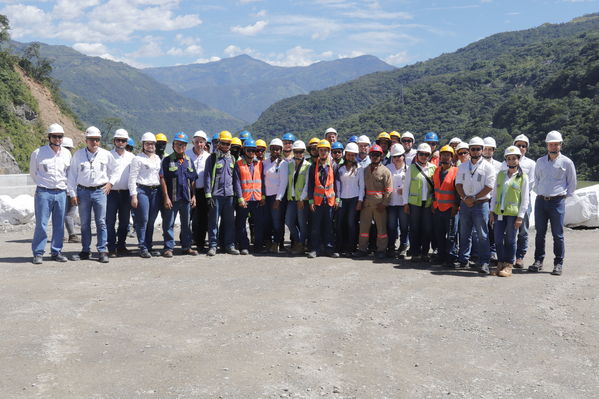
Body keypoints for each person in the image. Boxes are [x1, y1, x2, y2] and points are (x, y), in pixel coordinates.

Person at [529, 130, 576, 276]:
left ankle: (558, 263)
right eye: (551, 144)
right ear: (547, 145)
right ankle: (538, 261)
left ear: (560, 145)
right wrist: (541, 192)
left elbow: (572, 183)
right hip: (541, 201)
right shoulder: (540, 162)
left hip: (557, 201)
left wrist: (562, 197)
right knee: (539, 233)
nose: (554, 146)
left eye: (556, 144)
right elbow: (536, 180)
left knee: (558, 234)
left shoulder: (567, 162)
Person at [68, 126, 117, 263]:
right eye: (92, 140)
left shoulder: (106, 154)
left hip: (100, 191)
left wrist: (110, 183)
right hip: (82, 191)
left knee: (101, 222)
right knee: (84, 223)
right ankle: (85, 250)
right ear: (86, 140)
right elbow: (71, 175)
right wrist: (72, 193)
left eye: (97, 140)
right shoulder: (78, 155)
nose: (95, 142)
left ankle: (102, 250)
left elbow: (115, 170)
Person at [29, 123, 72, 264]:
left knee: (59, 224)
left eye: (60, 136)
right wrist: (43, 185)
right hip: (44, 192)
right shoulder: (38, 153)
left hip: (61, 193)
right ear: (49, 137)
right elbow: (33, 173)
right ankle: (38, 253)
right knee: (41, 223)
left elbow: (69, 174)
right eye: (55, 136)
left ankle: (56, 251)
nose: (58, 139)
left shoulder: (67, 154)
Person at [455, 136, 497, 274]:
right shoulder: (463, 166)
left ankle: (484, 261)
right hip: (465, 203)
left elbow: (489, 186)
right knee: (464, 233)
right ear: (469, 150)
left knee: (482, 234)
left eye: (478, 149)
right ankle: (463, 260)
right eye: (472, 149)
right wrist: (464, 197)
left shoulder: (488, 167)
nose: (475, 151)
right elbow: (458, 184)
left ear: (482, 150)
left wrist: (474, 197)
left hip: (481, 204)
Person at [490, 146, 530, 277]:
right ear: (506, 160)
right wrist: (491, 211)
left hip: (513, 214)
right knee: (498, 238)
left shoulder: (523, 177)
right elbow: (495, 194)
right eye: (509, 158)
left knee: (511, 239)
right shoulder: (500, 175)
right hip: (499, 213)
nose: (511, 161)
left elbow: (525, 198)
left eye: (514, 158)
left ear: (518, 159)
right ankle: (500, 263)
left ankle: (509, 265)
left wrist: (520, 216)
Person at [159, 132, 198, 257]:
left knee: (186, 225)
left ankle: (186, 247)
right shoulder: (167, 160)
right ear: (173, 145)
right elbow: (163, 179)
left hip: (186, 199)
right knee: (168, 224)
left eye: (182, 144)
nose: (179, 146)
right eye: (177, 144)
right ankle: (168, 248)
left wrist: (194, 196)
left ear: (186, 146)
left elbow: (192, 180)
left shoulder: (189, 161)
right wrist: (166, 197)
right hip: (172, 199)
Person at [501, 134, 536, 269]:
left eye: (523, 146)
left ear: (527, 148)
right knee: (507, 230)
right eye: (518, 145)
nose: (521, 148)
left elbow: (531, 183)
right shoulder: (506, 163)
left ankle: (520, 256)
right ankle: (507, 256)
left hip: (523, 200)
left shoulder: (531, 164)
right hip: (508, 202)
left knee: (522, 230)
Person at [204, 131, 239, 256]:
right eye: (223, 143)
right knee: (213, 222)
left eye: (228, 144)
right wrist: (208, 195)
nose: (225, 146)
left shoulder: (233, 159)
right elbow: (207, 177)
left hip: (229, 196)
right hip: (216, 196)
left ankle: (230, 245)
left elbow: (235, 179)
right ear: (218, 143)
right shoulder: (212, 158)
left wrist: (237, 196)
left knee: (229, 222)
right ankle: (213, 246)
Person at [355, 144, 393, 259]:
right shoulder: (364, 170)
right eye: (372, 155)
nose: (375, 157)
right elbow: (361, 187)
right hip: (366, 204)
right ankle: (362, 249)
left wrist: (384, 203)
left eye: (377, 155)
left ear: (381, 156)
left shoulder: (385, 171)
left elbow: (389, 189)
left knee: (381, 229)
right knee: (364, 229)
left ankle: (381, 250)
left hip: (379, 204)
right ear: (370, 156)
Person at [129, 132, 163, 258]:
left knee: (151, 220)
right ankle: (142, 246)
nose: (151, 146)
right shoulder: (138, 159)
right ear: (143, 144)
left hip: (155, 191)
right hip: (142, 190)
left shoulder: (157, 158)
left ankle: (149, 246)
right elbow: (132, 178)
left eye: (153, 143)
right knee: (143, 219)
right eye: (148, 143)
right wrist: (134, 195)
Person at [306, 140, 339, 258]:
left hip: (329, 202)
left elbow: (337, 184)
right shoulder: (313, 167)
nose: (323, 152)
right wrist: (310, 201)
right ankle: (315, 249)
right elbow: (310, 186)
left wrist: (338, 199)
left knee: (329, 226)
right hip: (317, 202)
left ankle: (329, 249)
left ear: (329, 151)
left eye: (325, 150)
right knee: (315, 227)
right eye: (321, 150)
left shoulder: (334, 166)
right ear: (318, 152)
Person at [403, 143, 436, 262]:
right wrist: (405, 203)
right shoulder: (411, 168)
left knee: (427, 229)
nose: (423, 156)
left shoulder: (433, 168)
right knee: (414, 228)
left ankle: (425, 253)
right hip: (414, 203)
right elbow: (406, 187)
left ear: (429, 155)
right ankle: (415, 252)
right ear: (417, 155)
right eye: (421, 154)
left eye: (426, 154)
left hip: (428, 203)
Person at [106, 128, 135, 258]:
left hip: (125, 193)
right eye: (118, 140)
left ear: (126, 142)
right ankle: (111, 247)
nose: (121, 142)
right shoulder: (107, 155)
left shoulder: (132, 157)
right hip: (110, 193)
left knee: (124, 221)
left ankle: (121, 245)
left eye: (123, 140)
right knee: (110, 221)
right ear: (114, 141)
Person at [279, 140, 311, 255]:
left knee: (302, 223)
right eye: (296, 152)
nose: (298, 154)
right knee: (288, 221)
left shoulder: (308, 166)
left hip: (301, 200)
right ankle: (298, 242)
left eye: (300, 152)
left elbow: (307, 184)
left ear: (304, 152)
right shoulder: (290, 164)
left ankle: (301, 245)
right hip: (291, 199)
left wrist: (302, 198)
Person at [234, 139, 265, 255]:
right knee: (241, 224)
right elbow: (236, 182)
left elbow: (263, 181)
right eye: (249, 150)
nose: (252, 152)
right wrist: (240, 198)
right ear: (244, 151)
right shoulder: (239, 164)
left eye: (254, 150)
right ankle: (244, 246)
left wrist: (263, 196)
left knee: (258, 224)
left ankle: (258, 246)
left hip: (257, 199)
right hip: (245, 199)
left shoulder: (259, 164)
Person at [431, 145, 459, 267]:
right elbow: (434, 189)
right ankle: (440, 256)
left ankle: (451, 257)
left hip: (451, 209)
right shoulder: (437, 171)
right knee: (439, 234)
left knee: (452, 235)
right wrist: (433, 203)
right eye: (443, 155)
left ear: (452, 157)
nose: (445, 157)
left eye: (448, 155)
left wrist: (456, 206)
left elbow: (458, 191)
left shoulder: (456, 171)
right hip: (438, 208)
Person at [335, 142, 364, 256]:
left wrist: (360, 201)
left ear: (356, 155)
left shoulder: (360, 168)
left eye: (353, 155)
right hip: (342, 199)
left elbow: (362, 186)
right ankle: (339, 247)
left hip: (354, 199)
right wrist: (337, 199)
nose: (351, 157)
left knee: (351, 223)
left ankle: (350, 247)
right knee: (339, 223)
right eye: (349, 154)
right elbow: (337, 185)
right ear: (345, 154)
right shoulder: (339, 168)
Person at [186, 130, 211, 252]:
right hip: (188, 191)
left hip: (203, 191)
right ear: (193, 142)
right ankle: (186, 241)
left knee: (202, 218)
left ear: (205, 143)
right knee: (187, 217)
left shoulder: (208, 157)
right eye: (196, 142)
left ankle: (200, 243)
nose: (199, 144)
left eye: (201, 142)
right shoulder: (187, 154)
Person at [263, 138, 286, 253]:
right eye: (273, 149)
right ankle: (268, 243)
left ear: (281, 150)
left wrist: (278, 199)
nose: (275, 151)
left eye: (278, 149)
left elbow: (283, 182)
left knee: (277, 222)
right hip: (266, 197)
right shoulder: (265, 162)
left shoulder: (283, 164)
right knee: (267, 221)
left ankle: (277, 243)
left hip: (276, 197)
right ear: (270, 149)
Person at [386, 144, 409, 259]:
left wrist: (404, 190)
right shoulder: (388, 168)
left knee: (404, 226)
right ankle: (391, 247)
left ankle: (403, 247)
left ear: (403, 156)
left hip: (403, 203)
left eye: (399, 156)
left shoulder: (408, 169)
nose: (397, 158)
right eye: (394, 156)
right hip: (391, 203)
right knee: (391, 226)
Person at [61, 136, 79, 244]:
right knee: (68, 214)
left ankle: (61, 235)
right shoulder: (72, 159)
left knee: (61, 214)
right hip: (70, 191)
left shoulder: (60, 158)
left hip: (63, 190)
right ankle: (72, 235)